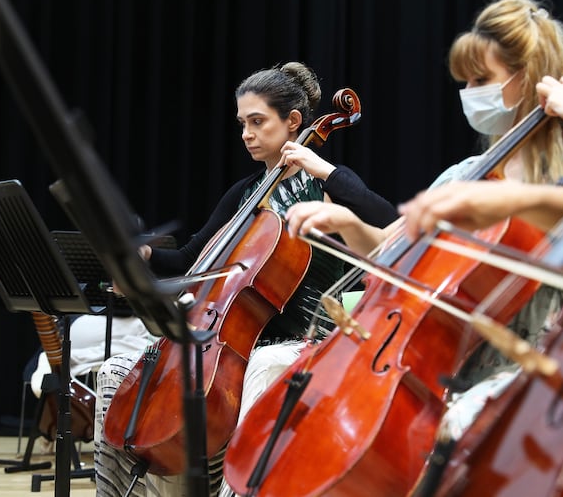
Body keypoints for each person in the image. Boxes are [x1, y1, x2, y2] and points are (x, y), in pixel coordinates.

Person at [283, 0, 563, 452]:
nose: (470, 94)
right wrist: (345, 220)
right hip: (453, 367)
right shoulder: (464, 175)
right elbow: (386, 251)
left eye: (481, 79)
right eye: (465, 82)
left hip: (537, 365)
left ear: (526, 76)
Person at [93, 61, 398, 497]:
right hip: (229, 341)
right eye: (242, 124)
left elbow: (390, 222)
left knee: (253, 374)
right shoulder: (245, 193)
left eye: (258, 122)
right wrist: (139, 255)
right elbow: (187, 260)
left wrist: (324, 169)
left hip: (302, 339)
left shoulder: (324, 187)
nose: (246, 134)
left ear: (293, 121)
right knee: (116, 373)